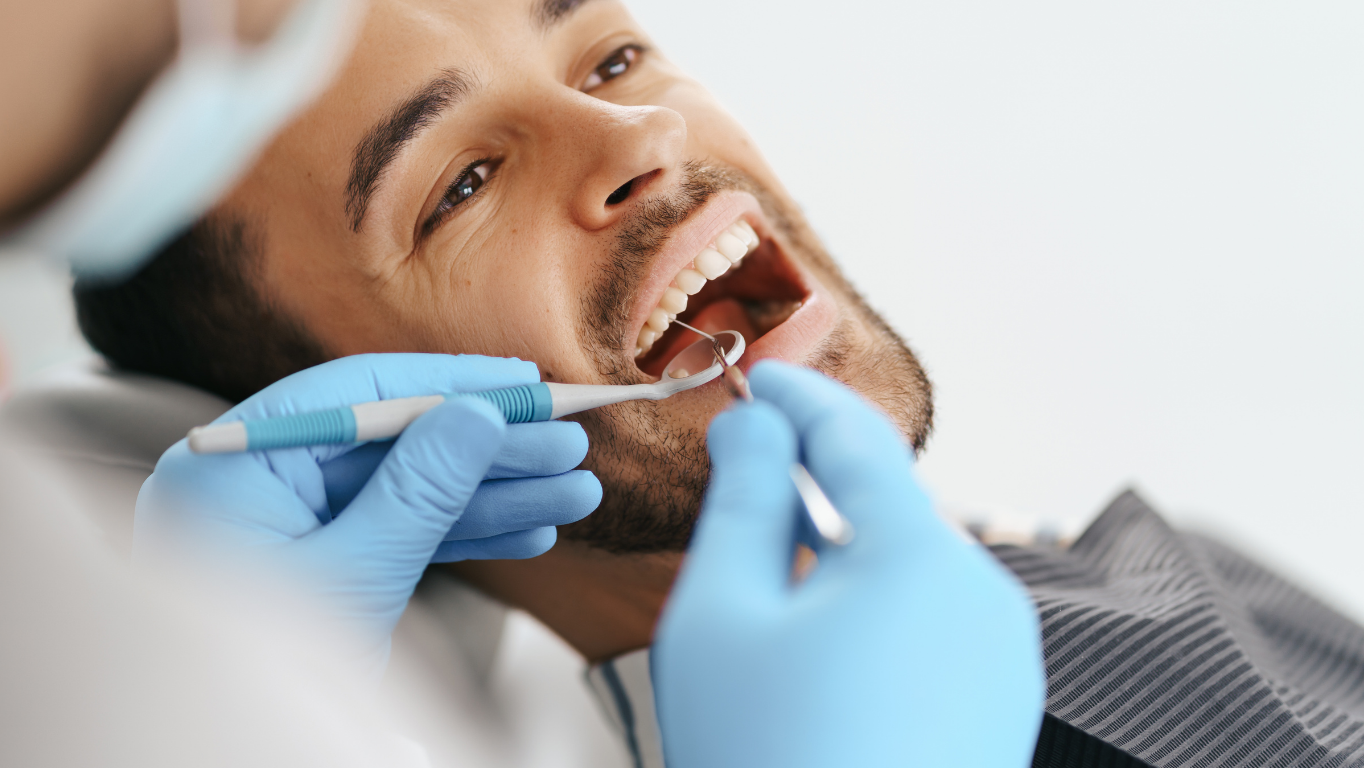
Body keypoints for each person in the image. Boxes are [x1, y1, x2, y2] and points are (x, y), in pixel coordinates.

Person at [69, 0, 1364, 765]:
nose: (637, 136)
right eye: (460, 184)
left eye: (611, 58)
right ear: (381, 413)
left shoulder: (1181, 566)